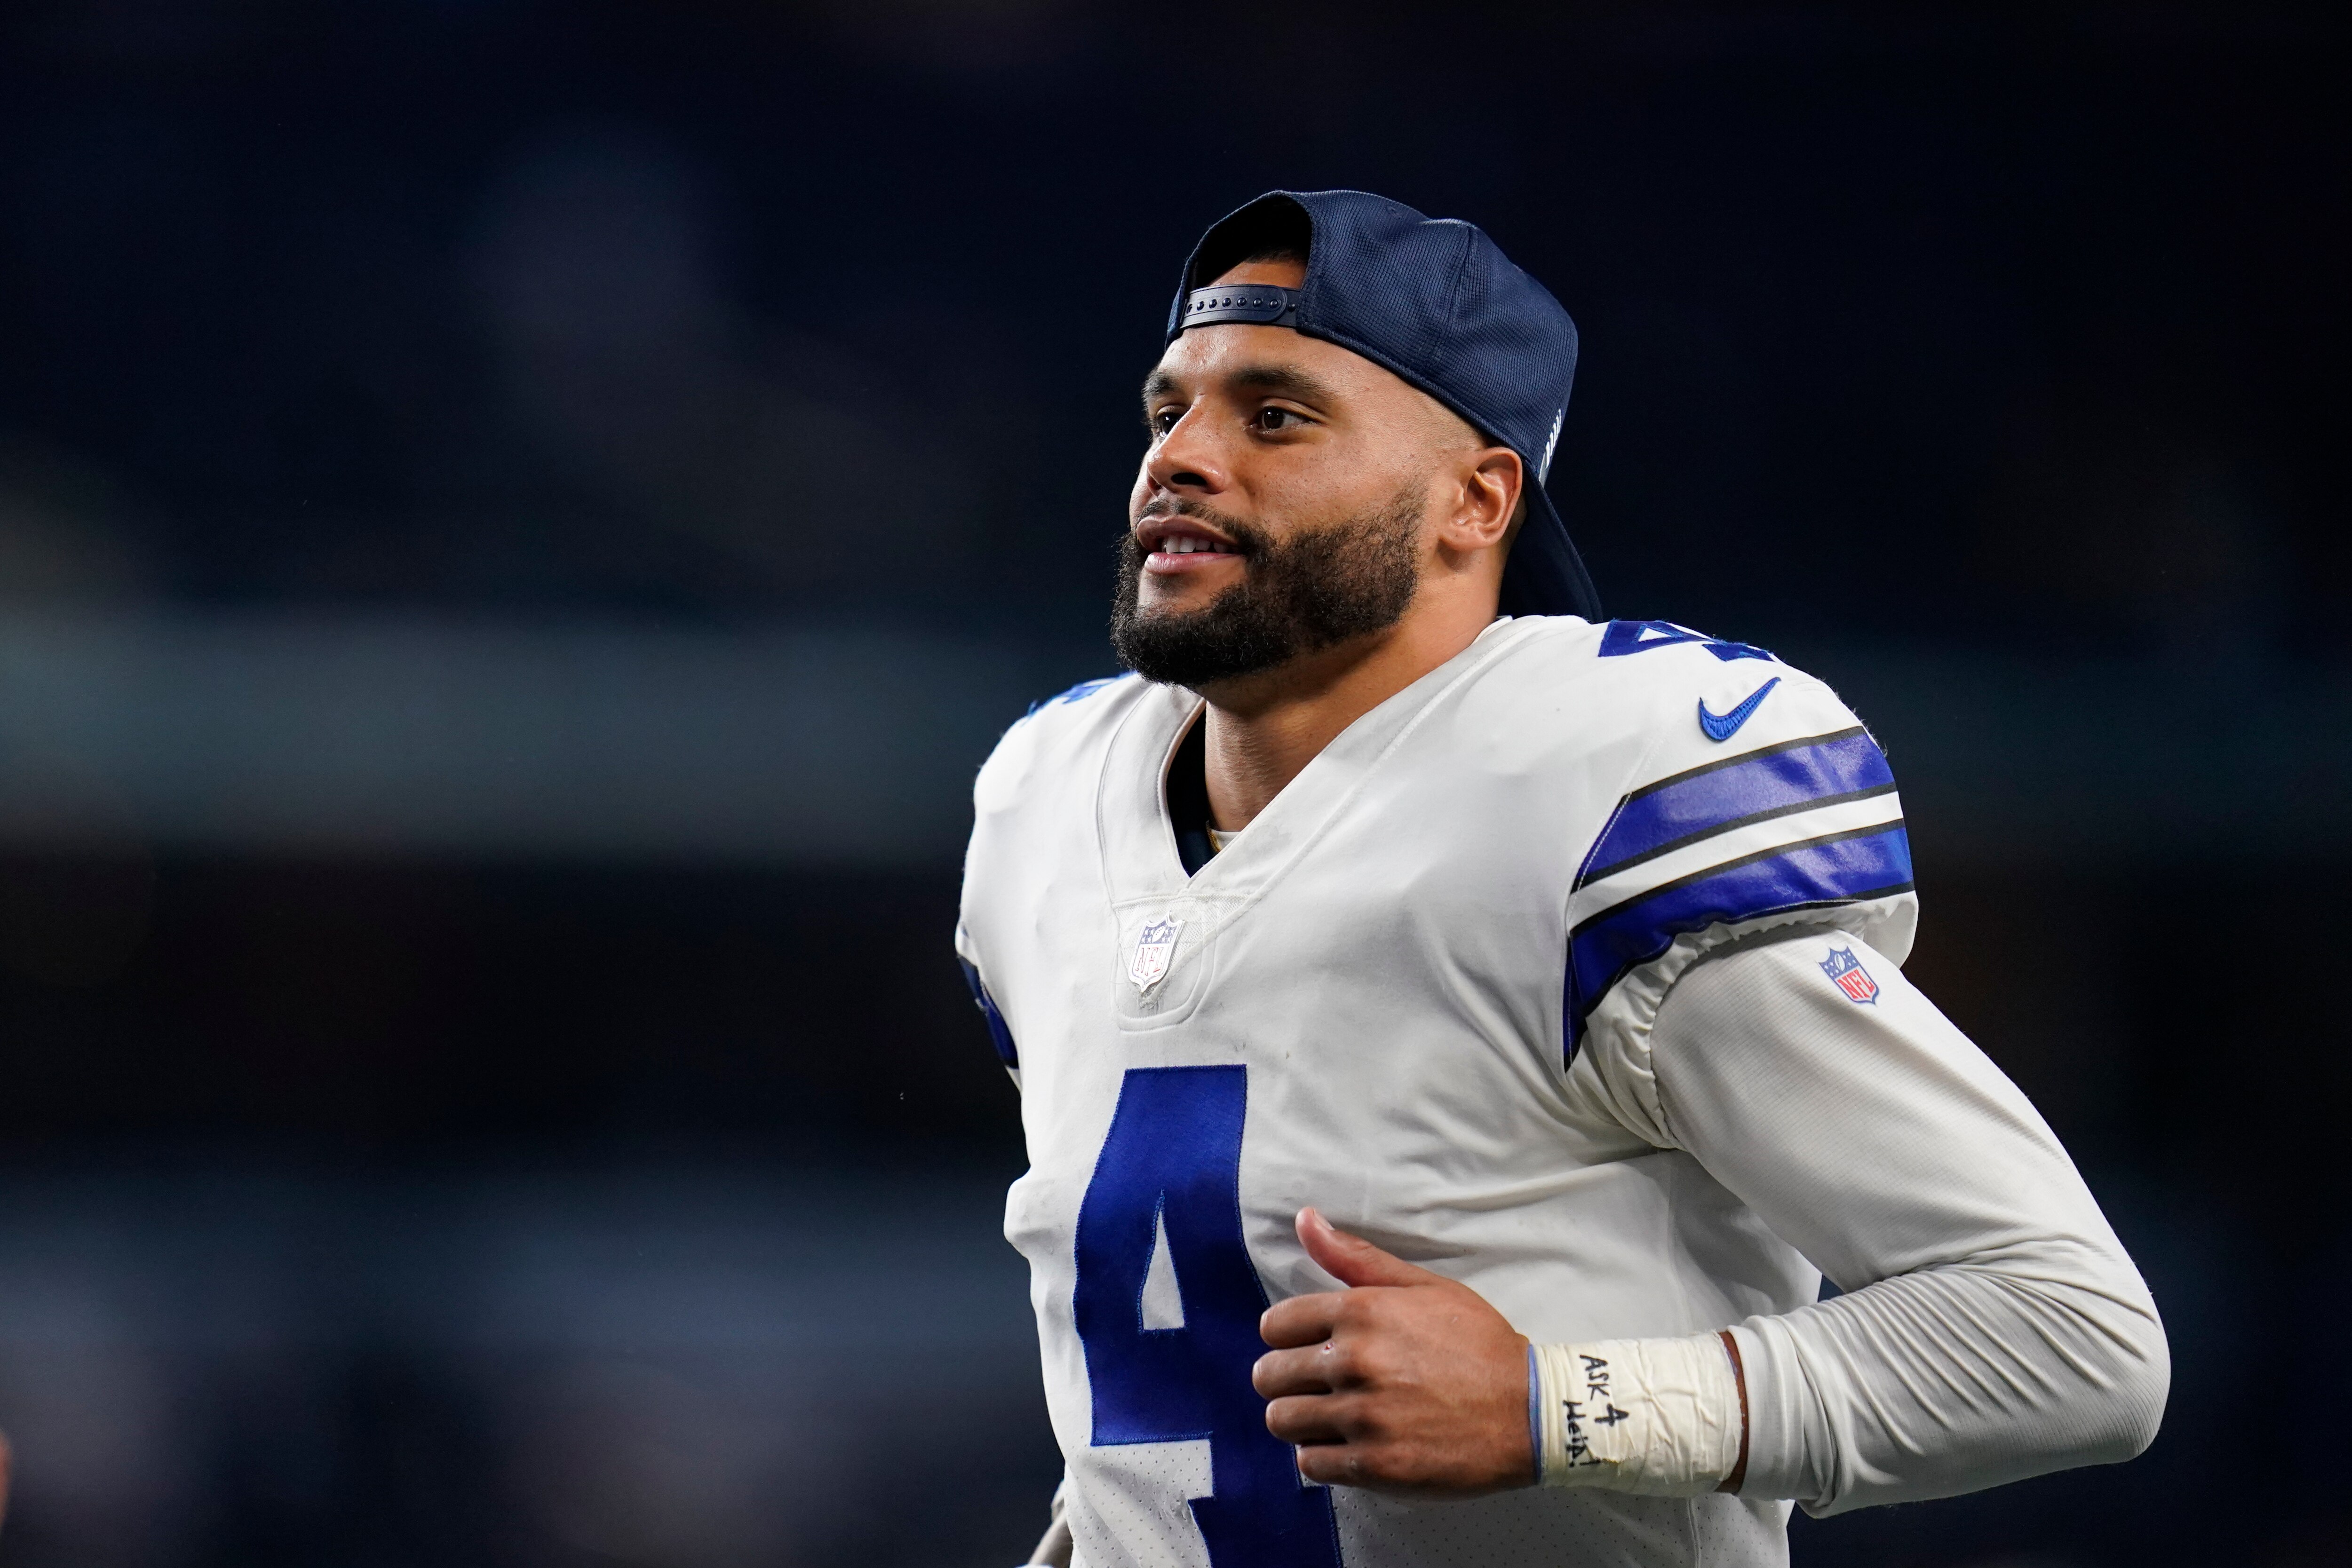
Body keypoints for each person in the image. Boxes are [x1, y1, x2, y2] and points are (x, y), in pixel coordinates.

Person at [954, 190, 2166, 1568]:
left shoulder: (1596, 797)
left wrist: (1556, 1407)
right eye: (1169, 411)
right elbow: (1168, 1377)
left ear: (1477, 499)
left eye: (1275, 417)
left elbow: (2075, 1336)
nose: (1180, 459)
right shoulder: (1049, 801)